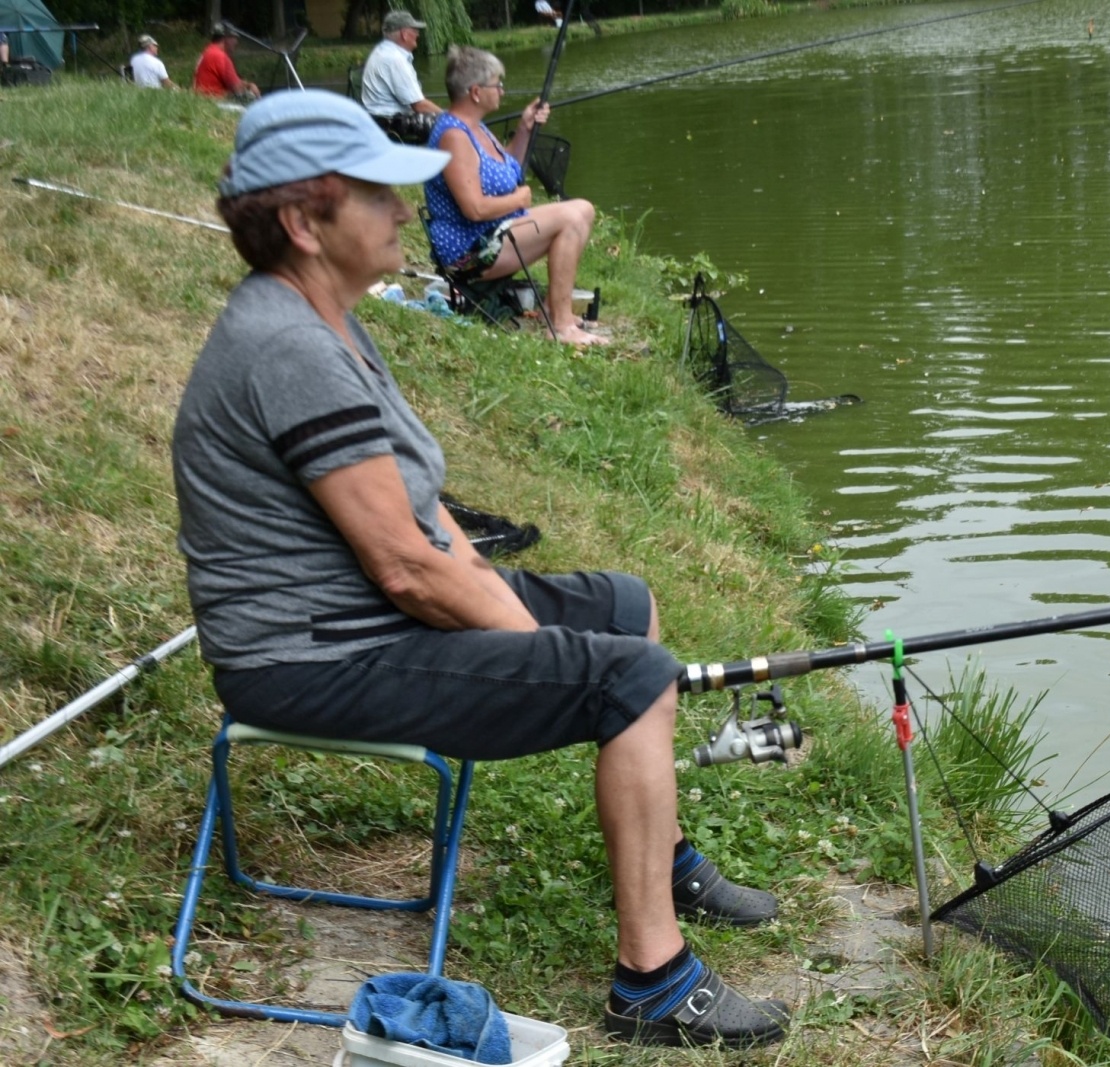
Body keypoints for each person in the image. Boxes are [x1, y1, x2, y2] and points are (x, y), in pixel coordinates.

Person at [172, 89, 788, 1049]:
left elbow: (427, 526)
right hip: (313, 656)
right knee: (628, 674)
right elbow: (407, 571)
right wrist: (547, 650)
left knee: (627, 607)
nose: (407, 211)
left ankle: (661, 856)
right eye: (379, 196)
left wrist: (539, 629)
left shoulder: (324, 313)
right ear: (303, 222)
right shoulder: (287, 345)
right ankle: (653, 983)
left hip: (366, 617)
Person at [424, 46, 604, 347]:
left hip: (493, 235)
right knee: (571, 217)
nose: (503, 91)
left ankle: (553, 309)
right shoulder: (454, 136)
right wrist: (518, 202)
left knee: (583, 209)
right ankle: (560, 327)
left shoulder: (475, 127)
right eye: (498, 84)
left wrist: (525, 129)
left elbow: (507, 171)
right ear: (476, 92)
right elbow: (474, 208)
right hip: (470, 253)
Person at [362, 8, 442, 144]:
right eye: (415, 30)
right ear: (404, 34)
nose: (418, 34)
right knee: (453, 129)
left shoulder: (381, 51)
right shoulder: (394, 59)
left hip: (378, 120)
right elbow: (420, 106)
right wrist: (454, 118)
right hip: (392, 125)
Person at [193, 23, 259, 101]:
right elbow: (237, 89)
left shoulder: (207, 51)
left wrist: (245, 84)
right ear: (226, 38)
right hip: (216, 101)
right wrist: (250, 86)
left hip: (202, 100)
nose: (236, 42)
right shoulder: (220, 57)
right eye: (234, 38)